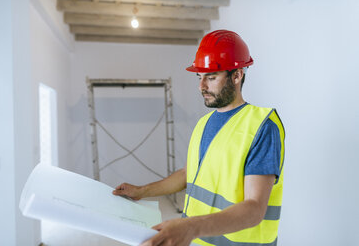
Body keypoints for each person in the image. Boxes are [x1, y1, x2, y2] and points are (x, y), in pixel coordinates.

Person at [113, 30, 285, 246]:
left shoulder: (262, 127)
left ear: (237, 75)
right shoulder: (203, 124)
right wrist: (142, 191)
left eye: (211, 77)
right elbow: (187, 174)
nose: (201, 86)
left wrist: (191, 226)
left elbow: (254, 209)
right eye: (199, 77)